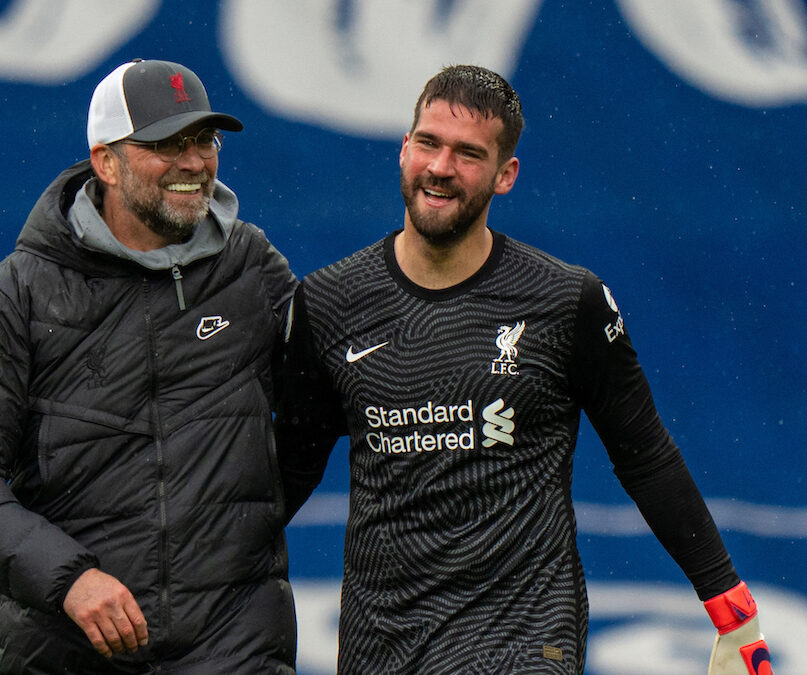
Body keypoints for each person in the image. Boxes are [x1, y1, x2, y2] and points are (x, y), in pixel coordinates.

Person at [276, 65, 773, 674]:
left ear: (504, 175)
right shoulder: (328, 302)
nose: (440, 167)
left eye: (468, 154)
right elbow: (286, 471)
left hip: (525, 640)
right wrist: (176, 585)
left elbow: (645, 455)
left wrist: (732, 608)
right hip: (382, 645)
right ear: (404, 148)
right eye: (428, 143)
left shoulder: (568, 302)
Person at [0, 59, 298, 674]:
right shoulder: (20, 292)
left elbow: (328, 407)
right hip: (69, 651)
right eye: (166, 144)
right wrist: (68, 581)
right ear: (106, 162)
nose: (194, 162)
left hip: (234, 651)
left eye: (204, 140)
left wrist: (242, 533)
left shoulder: (252, 268)